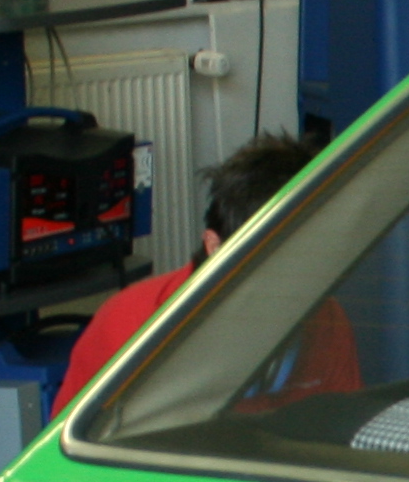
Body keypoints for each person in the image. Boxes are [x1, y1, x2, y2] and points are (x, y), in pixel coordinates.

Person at [55, 131, 358, 414]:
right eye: (269, 262)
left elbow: (343, 434)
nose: (289, 287)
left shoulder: (325, 320)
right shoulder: (131, 326)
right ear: (214, 246)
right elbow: (63, 449)